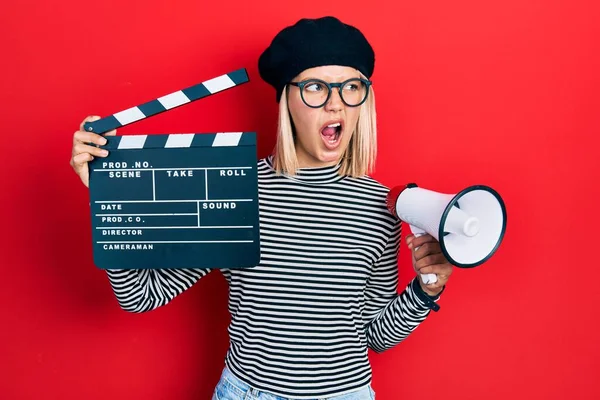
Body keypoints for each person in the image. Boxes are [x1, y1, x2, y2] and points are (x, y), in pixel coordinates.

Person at [70, 16, 453, 400]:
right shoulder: (236, 191)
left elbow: (374, 334)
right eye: (317, 87)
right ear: (287, 98)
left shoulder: (381, 205)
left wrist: (425, 291)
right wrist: (108, 198)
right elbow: (141, 295)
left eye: (351, 86)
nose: (336, 103)